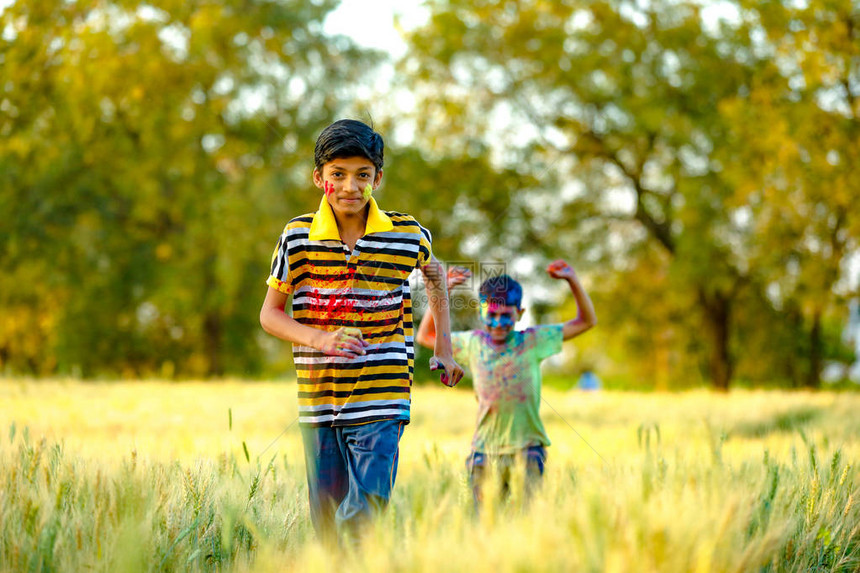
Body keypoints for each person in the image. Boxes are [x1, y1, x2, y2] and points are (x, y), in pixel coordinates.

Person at [260, 119, 464, 544]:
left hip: (383, 395)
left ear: (378, 178)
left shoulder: (407, 233)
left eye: (363, 175)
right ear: (320, 178)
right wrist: (320, 339)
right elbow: (271, 315)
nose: (350, 186)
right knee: (328, 526)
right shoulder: (296, 237)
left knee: (365, 512)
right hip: (320, 400)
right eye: (338, 174)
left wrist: (444, 347)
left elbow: (435, 275)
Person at [416, 261, 596, 504]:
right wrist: (444, 289)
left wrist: (572, 280)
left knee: (527, 524)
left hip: (529, 451)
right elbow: (426, 336)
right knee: (485, 524)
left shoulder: (533, 341)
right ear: (481, 312)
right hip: (484, 453)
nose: (498, 323)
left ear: (519, 314)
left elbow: (586, 321)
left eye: (505, 316)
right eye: (491, 315)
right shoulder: (473, 343)